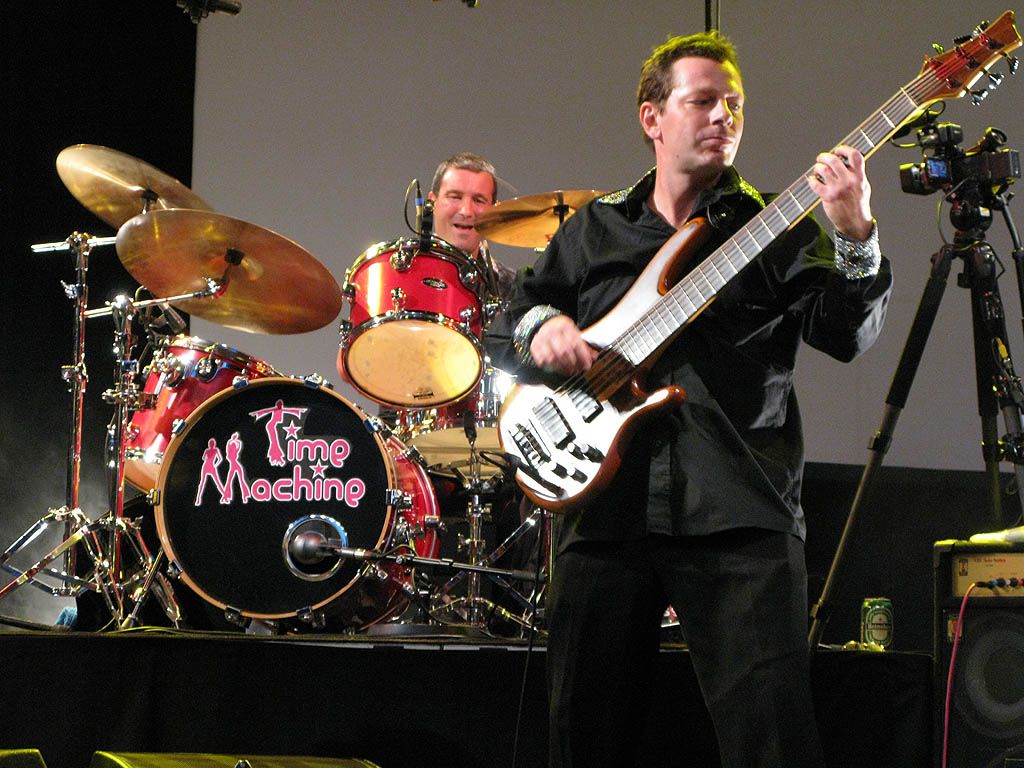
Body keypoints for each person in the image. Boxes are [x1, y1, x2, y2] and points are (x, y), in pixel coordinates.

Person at [484, 31, 892, 768]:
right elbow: (505, 325)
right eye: (703, 101)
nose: (723, 117)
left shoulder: (775, 226)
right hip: (604, 514)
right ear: (653, 117)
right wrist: (542, 327)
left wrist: (857, 237)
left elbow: (845, 335)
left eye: (734, 105)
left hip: (739, 510)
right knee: (585, 738)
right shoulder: (596, 227)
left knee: (772, 741)